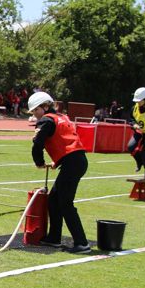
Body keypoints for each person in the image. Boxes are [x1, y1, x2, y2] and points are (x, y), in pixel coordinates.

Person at [27, 92, 90, 253]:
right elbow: (66, 140)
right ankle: (54, 237)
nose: (35, 115)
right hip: (76, 160)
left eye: (36, 110)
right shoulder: (62, 117)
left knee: (65, 203)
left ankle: (82, 243)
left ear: (45, 106)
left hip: (72, 163)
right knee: (54, 200)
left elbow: (37, 144)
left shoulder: (46, 120)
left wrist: (39, 162)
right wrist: (59, 160)